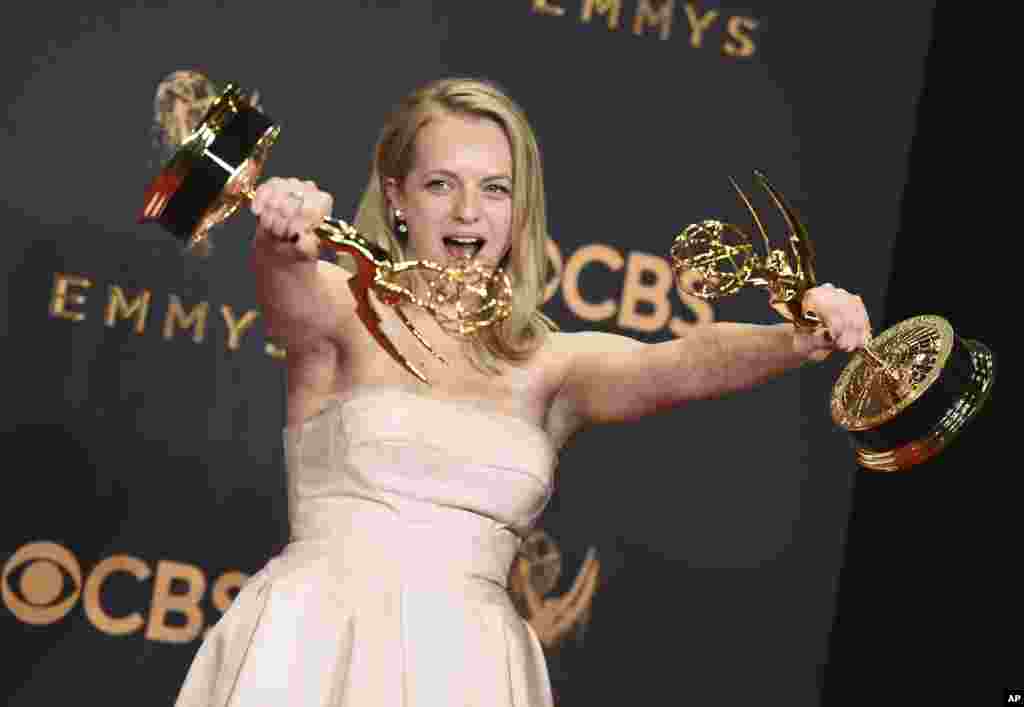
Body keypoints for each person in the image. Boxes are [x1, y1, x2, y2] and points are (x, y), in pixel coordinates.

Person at [173, 77, 870, 707]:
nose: (470, 211)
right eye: (442, 183)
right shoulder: (340, 308)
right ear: (397, 198)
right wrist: (283, 237)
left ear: (519, 208)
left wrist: (798, 338)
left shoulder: (549, 364)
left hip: (471, 669)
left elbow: (679, 361)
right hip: (314, 649)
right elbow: (285, 290)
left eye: (496, 188)